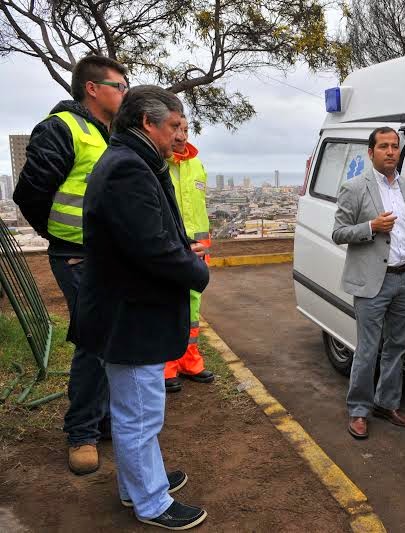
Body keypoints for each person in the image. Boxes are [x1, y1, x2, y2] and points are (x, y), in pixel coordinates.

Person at [72, 85, 209, 530]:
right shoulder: (128, 169)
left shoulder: (132, 161)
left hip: (127, 312)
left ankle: (139, 482)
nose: (178, 136)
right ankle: (151, 501)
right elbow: (153, 246)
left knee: (138, 411)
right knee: (138, 413)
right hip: (129, 316)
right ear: (147, 124)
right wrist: (196, 272)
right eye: (172, 127)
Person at [13, 55, 128, 475]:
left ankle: (104, 419)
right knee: (94, 341)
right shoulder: (63, 128)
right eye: (119, 85)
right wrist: (61, 237)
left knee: (111, 337)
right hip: (78, 255)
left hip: (108, 255)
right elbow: (30, 192)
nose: (125, 92)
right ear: (93, 88)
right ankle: (82, 432)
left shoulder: (108, 134)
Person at [332, 126, 405, 439]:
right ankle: (359, 411)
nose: (390, 152)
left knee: (397, 347)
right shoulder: (355, 187)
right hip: (373, 283)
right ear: (370, 153)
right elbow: (339, 232)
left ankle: (387, 403)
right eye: (383, 146)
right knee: (368, 349)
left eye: (395, 146)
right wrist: (371, 226)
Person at [163, 116, 214, 393]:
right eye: (175, 129)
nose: (181, 135)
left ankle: (189, 360)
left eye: (185, 129)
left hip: (197, 251)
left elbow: (200, 210)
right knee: (167, 305)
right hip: (169, 249)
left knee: (193, 308)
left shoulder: (197, 165)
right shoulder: (157, 164)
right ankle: (167, 365)